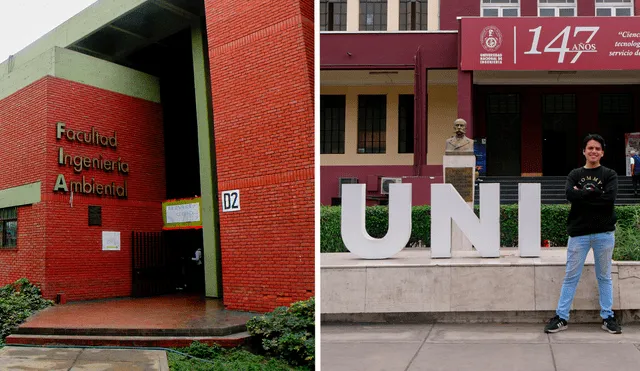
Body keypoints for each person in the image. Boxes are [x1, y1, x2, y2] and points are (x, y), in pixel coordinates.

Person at [544, 134, 621, 334]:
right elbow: (570, 195)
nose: (593, 151)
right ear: (584, 151)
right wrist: (596, 194)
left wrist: (583, 195)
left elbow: (609, 199)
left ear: (602, 152)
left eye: (597, 148)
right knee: (571, 276)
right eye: (590, 148)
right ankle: (561, 317)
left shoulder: (609, 174)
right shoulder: (575, 174)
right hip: (578, 234)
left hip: (604, 233)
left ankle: (608, 316)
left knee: (604, 276)